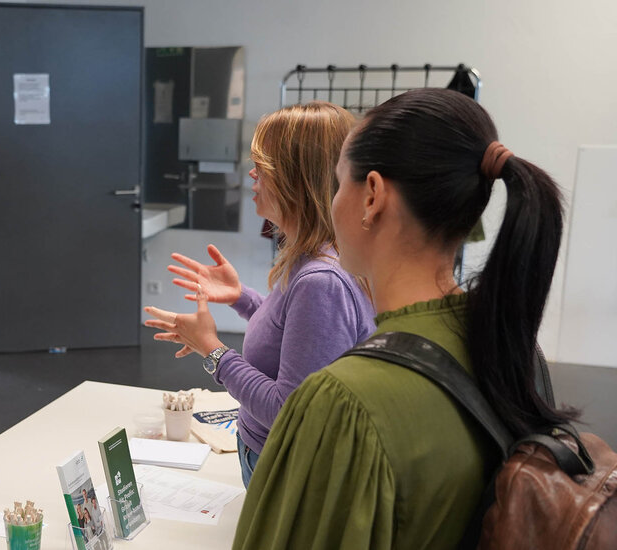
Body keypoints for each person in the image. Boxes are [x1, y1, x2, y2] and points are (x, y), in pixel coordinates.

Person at [232, 88, 578, 549]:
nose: (331, 204)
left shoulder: (344, 401)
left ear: (371, 195)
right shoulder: (513, 348)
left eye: (339, 184)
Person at [144, 102, 376, 487]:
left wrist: (212, 351)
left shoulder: (321, 281)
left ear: (296, 179)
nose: (252, 174)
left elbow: (288, 410)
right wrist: (243, 298)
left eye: (262, 166)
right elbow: (295, 340)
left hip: (283, 471)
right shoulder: (310, 260)